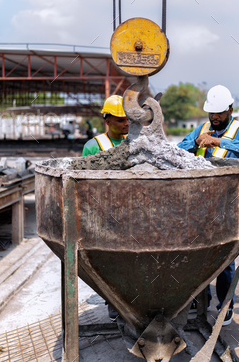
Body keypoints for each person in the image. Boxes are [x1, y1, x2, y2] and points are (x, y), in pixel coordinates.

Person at [178, 85, 239, 326]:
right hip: (201, 204)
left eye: (219, 113)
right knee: (197, 256)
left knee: (225, 259)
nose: (214, 118)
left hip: (228, 205)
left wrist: (218, 140)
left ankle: (225, 304)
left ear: (230, 110)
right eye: (211, 114)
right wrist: (196, 141)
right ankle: (200, 298)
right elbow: (179, 150)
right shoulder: (201, 129)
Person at [81, 95, 129, 319]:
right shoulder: (93, 147)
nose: (126, 123)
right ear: (107, 121)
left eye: (127, 118)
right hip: (104, 214)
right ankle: (112, 300)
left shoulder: (135, 142)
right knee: (108, 260)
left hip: (130, 213)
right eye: (120, 119)